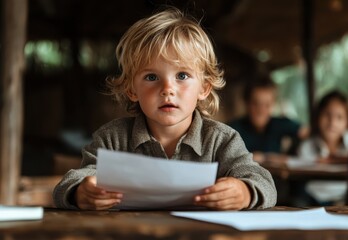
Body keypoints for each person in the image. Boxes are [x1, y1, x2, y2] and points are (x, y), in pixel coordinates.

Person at [52, 8, 277, 211]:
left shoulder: (222, 141)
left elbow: (263, 181)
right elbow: (72, 182)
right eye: (151, 77)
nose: (167, 89)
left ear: (204, 88)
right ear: (132, 89)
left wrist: (244, 192)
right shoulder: (112, 138)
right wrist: (81, 192)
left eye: (182, 76)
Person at [298, 90, 348, 205]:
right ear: (318, 117)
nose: (332, 122)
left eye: (339, 117)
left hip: (345, 198)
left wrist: (333, 159)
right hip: (312, 199)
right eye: (327, 115)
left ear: (347, 122)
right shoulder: (307, 146)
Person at [228, 77, 308, 163]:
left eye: (267, 105)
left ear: (273, 104)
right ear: (246, 103)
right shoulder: (232, 130)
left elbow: (306, 132)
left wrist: (292, 153)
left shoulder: (278, 124)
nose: (261, 110)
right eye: (256, 104)